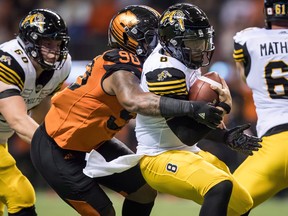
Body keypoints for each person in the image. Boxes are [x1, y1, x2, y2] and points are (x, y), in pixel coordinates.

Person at [30, 5, 221, 216]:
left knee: (144, 192)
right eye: (152, 38)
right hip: (57, 145)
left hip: (94, 142)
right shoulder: (118, 61)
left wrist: (223, 132)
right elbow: (133, 101)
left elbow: (173, 116)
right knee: (103, 212)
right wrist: (191, 107)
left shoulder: (154, 66)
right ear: (130, 38)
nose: (159, 44)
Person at [130, 3, 261, 216]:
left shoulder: (183, 56)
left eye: (202, 41)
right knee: (219, 187)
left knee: (240, 203)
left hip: (183, 150)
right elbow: (187, 133)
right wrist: (224, 106)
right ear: (171, 41)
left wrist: (226, 136)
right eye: (193, 42)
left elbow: (192, 124)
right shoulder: (164, 70)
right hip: (158, 156)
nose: (200, 48)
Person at [0, 8, 71, 216]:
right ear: (30, 42)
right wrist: (57, 148)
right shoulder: (9, 62)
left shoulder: (59, 68)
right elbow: (18, 120)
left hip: (1, 140)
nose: (54, 51)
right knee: (20, 195)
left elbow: (40, 108)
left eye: (58, 44)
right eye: (47, 44)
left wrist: (63, 136)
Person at [232, 0, 288, 215]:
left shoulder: (247, 39)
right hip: (271, 138)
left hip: (272, 143)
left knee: (223, 203)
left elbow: (244, 79)